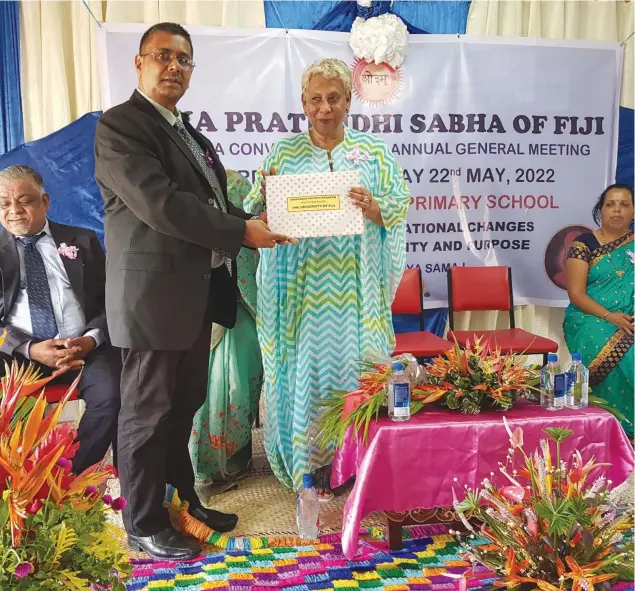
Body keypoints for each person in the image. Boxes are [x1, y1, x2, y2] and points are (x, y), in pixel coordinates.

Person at [94, 22, 294, 560]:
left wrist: (255, 220)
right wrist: (240, 231)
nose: (175, 67)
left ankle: (182, 501)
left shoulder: (191, 133)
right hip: (151, 300)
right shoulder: (121, 127)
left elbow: (212, 207)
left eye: (184, 59)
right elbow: (160, 204)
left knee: (182, 406)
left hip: (194, 295)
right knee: (146, 412)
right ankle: (141, 522)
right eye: (164, 56)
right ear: (139, 63)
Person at [244, 58, 410, 499]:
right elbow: (257, 211)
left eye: (333, 97)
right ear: (303, 103)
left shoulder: (375, 153)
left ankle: (361, 463)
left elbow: (399, 203)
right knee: (310, 376)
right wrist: (266, 195)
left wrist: (373, 205)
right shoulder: (284, 153)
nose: (324, 107)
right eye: (315, 99)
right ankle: (311, 467)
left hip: (357, 296)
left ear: (349, 99)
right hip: (303, 298)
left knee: (359, 372)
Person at [0, 164, 120, 474]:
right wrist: (30, 349)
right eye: (4, 203)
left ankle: (67, 477)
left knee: (113, 395)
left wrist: (90, 339)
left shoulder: (82, 240)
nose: (14, 211)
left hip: (82, 348)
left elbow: (110, 301)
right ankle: (13, 480)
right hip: (16, 354)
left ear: (45, 202)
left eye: (25, 200)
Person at [189, 171, 263, 492]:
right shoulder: (187, 218)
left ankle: (235, 459)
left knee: (236, 387)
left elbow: (252, 268)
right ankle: (200, 463)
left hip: (243, 314)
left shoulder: (251, 227)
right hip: (196, 318)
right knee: (200, 391)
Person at [564, 183, 634, 436]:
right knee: (629, 360)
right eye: (610, 204)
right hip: (590, 319)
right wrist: (610, 316)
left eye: (624, 205)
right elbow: (576, 294)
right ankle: (613, 432)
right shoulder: (583, 245)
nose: (617, 210)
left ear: (633, 212)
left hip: (630, 319)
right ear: (600, 210)